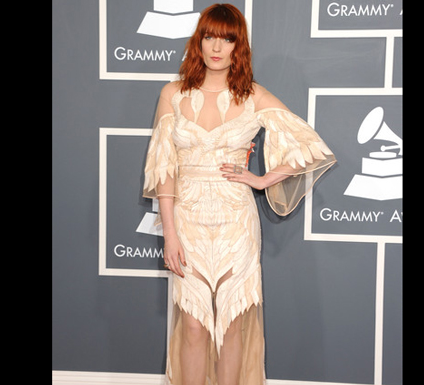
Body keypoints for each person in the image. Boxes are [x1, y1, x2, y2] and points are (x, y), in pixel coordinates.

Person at [143, 4, 337, 384]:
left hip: (236, 221)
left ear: (239, 45)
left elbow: (310, 146)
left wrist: (262, 180)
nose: (217, 47)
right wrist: (169, 234)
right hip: (187, 220)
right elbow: (164, 170)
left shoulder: (253, 96)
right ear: (198, 41)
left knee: (232, 324)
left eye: (227, 38)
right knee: (195, 325)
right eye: (210, 36)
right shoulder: (172, 94)